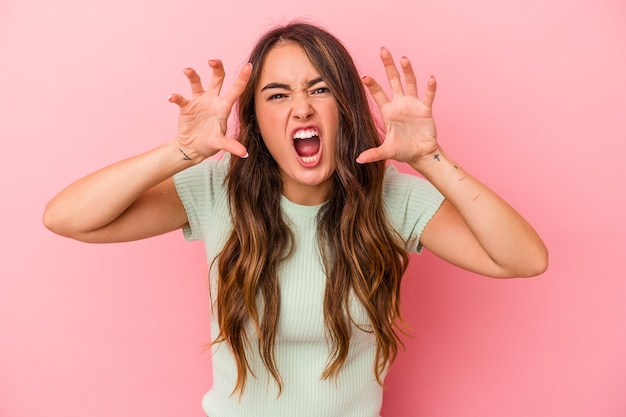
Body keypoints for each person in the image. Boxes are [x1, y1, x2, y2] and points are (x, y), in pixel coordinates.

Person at [43, 22, 548, 417]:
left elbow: (524, 259)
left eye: (320, 89)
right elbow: (67, 217)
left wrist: (429, 158)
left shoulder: (390, 198)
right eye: (278, 95)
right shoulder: (220, 190)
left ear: (345, 107)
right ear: (258, 122)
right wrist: (182, 151)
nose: (302, 108)